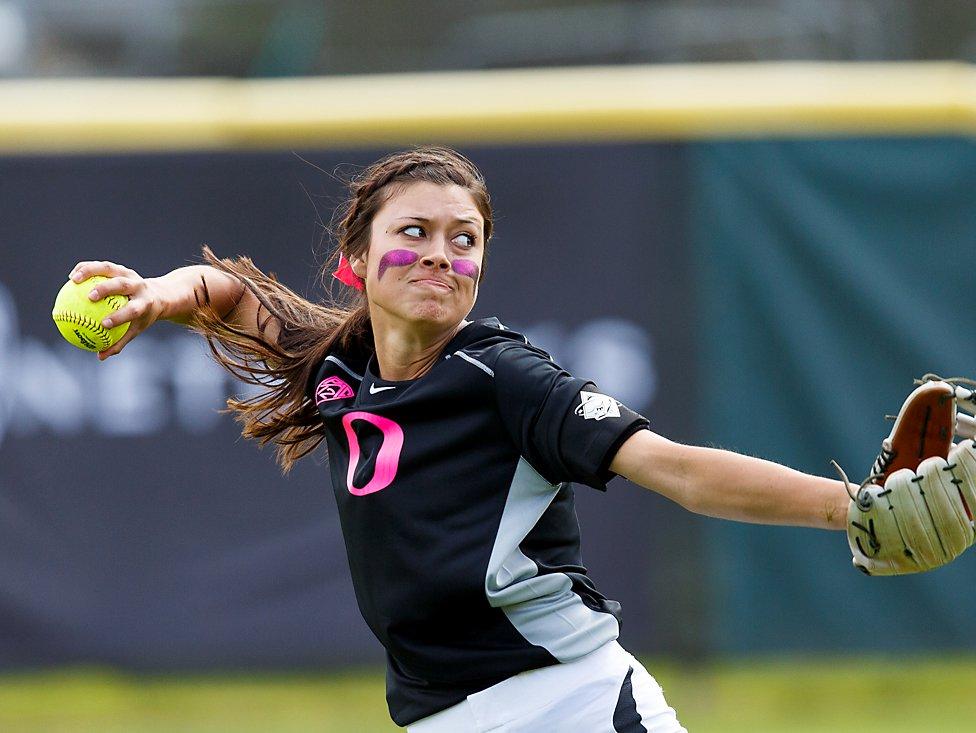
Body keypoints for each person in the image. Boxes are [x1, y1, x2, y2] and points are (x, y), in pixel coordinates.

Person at [68, 146, 854, 732]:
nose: (442, 253)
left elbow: (677, 469)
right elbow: (228, 294)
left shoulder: (503, 374)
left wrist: (850, 507)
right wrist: (154, 295)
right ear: (356, 261)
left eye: (464, 238)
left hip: (570, 702)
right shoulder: (340, 365)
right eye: (415, 230)